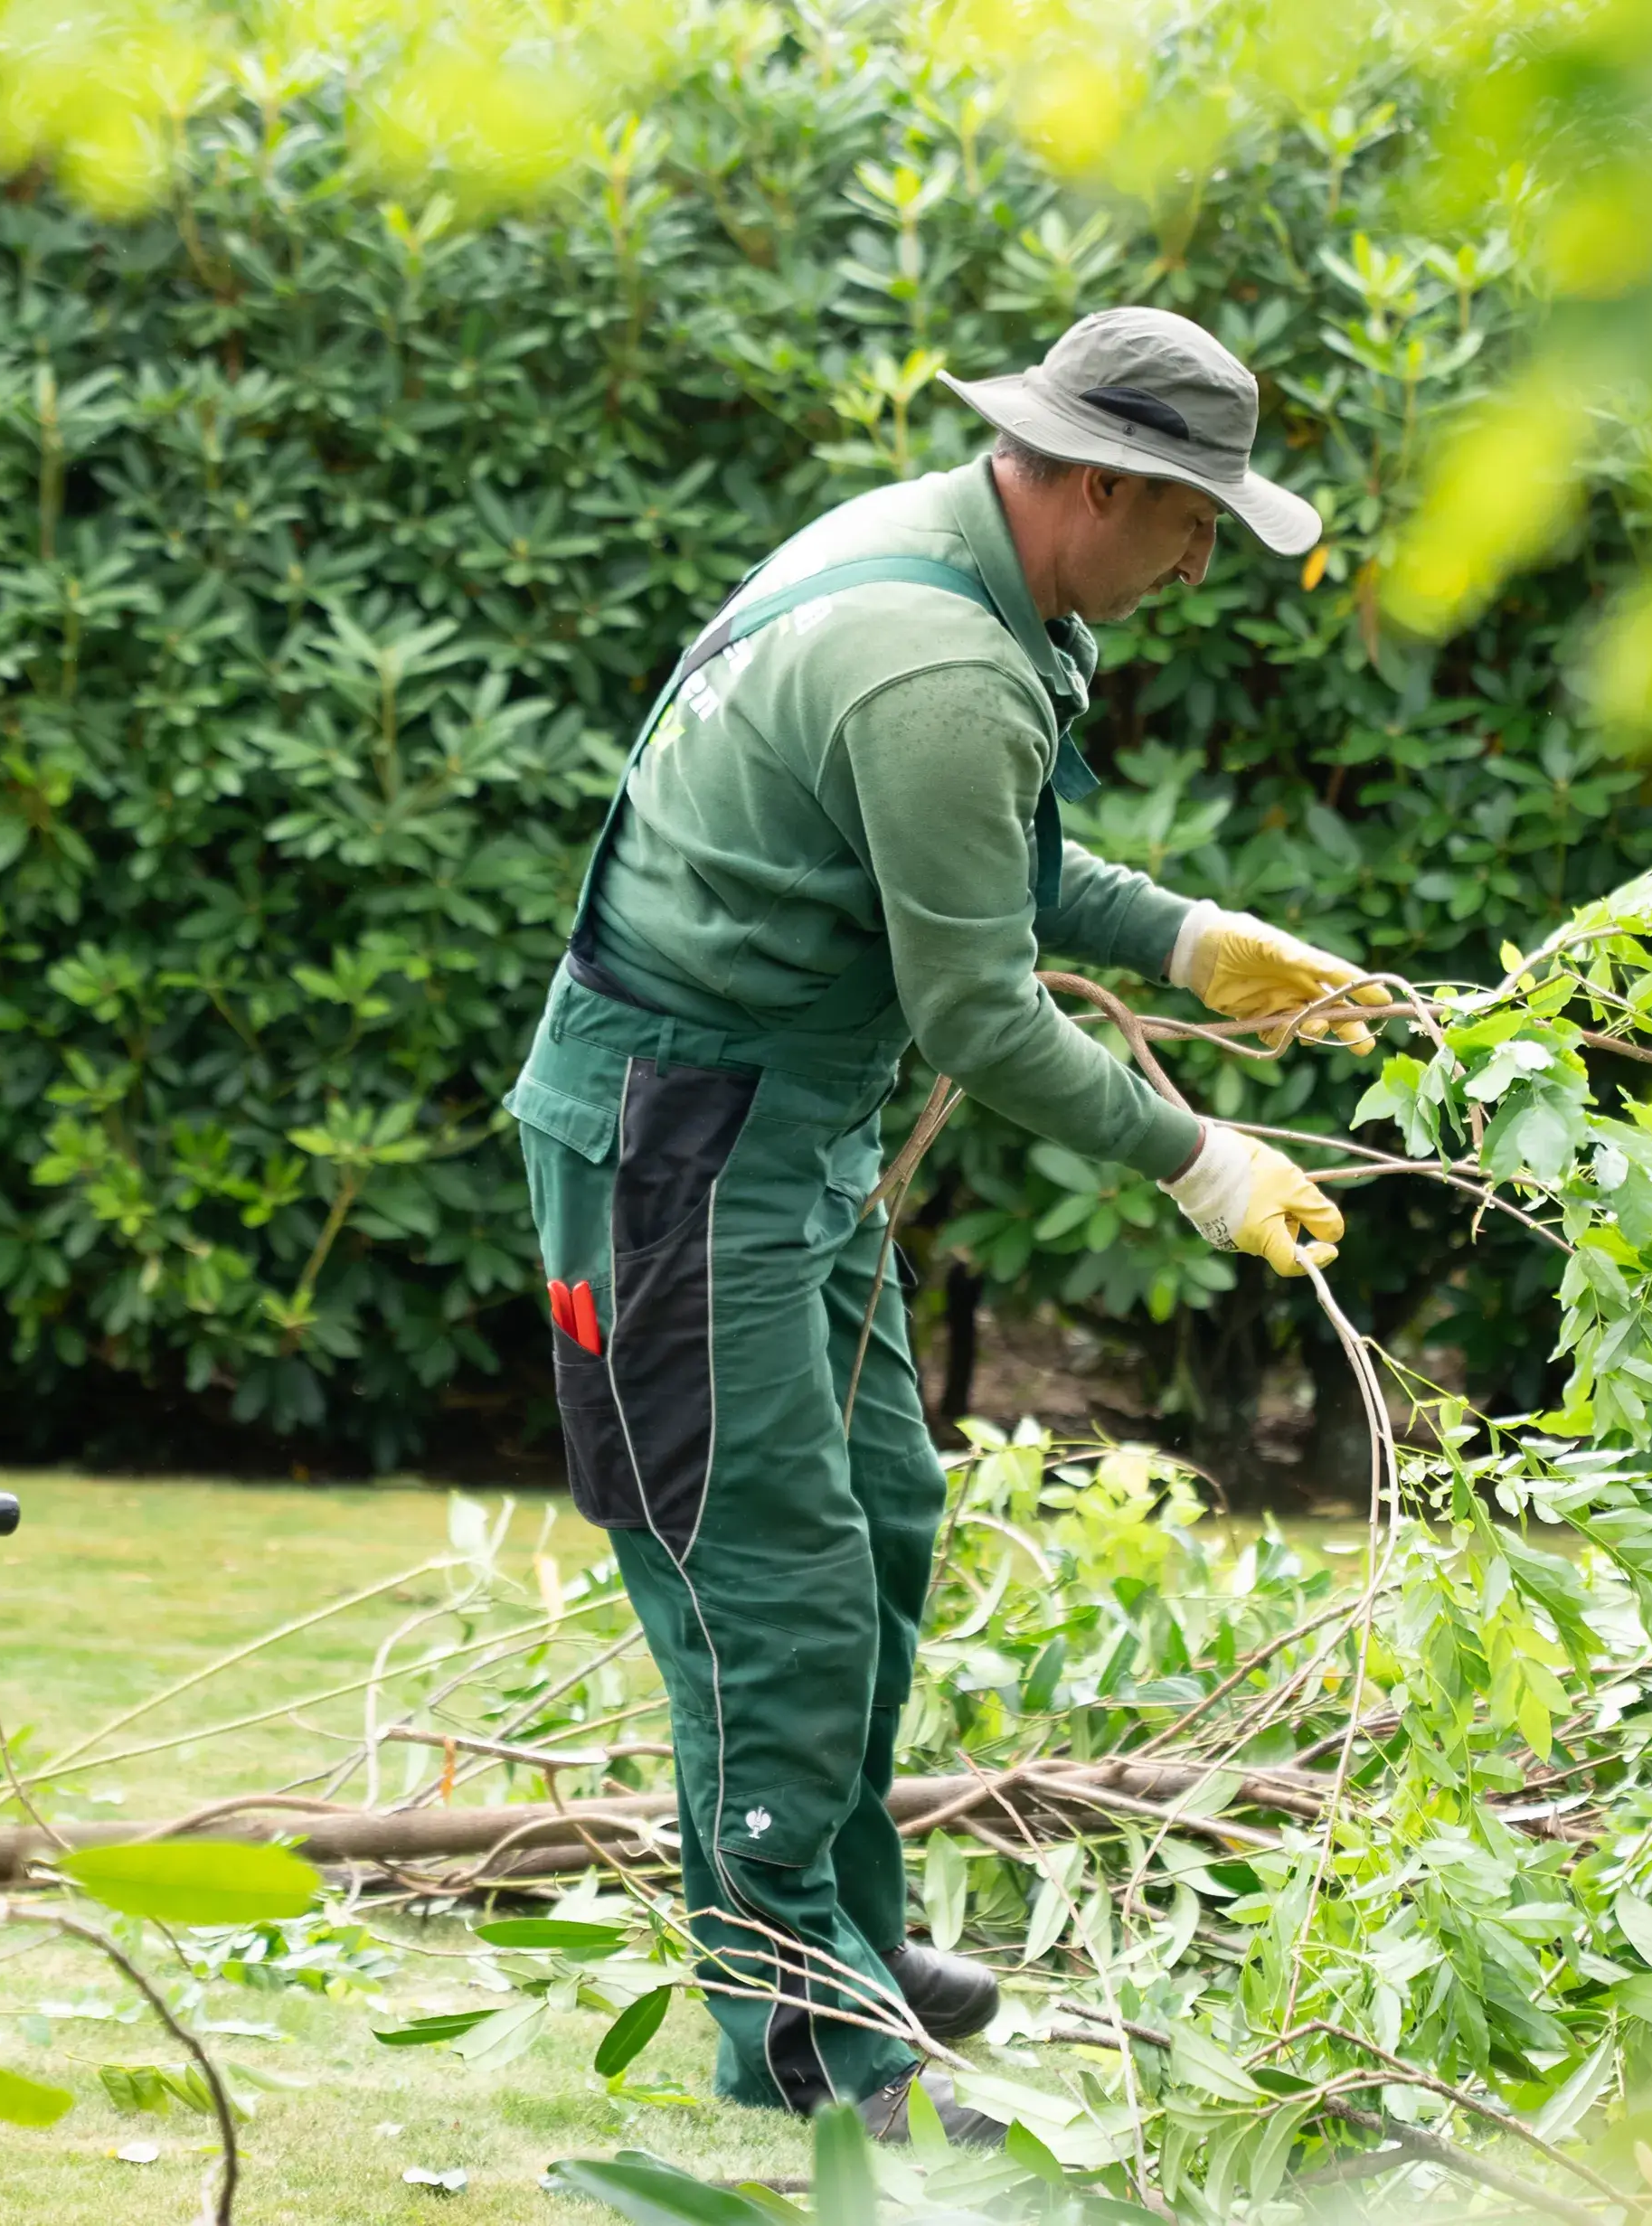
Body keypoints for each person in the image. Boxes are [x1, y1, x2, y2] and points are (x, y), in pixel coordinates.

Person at [505, 307, 1383, 2142]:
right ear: (1086, 482)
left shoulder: (954, 572)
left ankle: (840, 1937)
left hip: (777, 1139)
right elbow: (981, 1014)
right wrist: (1202, 1160)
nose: (1202, 555)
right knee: (771, 1596)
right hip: (678, 1151)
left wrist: (1184, 937)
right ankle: (809, 2046)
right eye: (1189, 517)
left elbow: (984, 858)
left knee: (884, 1519)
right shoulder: (936, 663)